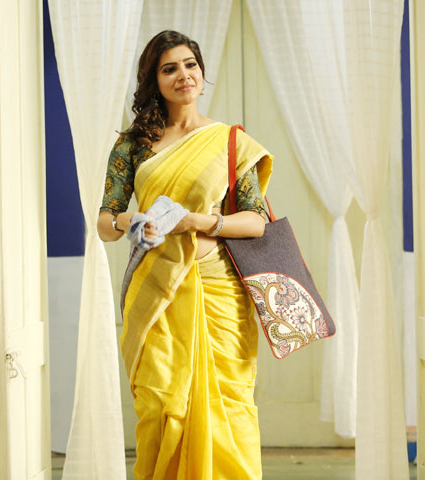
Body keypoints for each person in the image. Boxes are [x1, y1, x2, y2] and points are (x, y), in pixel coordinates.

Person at [97, 30, 273, 480]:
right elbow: (105, 221)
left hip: (218, 294)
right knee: (160, 403)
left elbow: (255, 221)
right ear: (154, 81)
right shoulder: (134, 144)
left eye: (190, 65)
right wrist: (131, 222)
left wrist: (196, 221)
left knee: (227, 408)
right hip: (156, 289)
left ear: (201, 71)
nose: (183, 75)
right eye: (169, 68)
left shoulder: (229, 141)